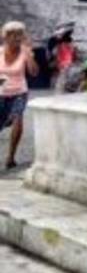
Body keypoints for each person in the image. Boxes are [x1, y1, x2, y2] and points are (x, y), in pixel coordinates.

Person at [0, 21, 38, 168]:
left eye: (20, 35)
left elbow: (34, 73)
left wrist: (29, 54)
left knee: (18, 119)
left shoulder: (25, 52)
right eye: (13, 35)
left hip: (19, 92)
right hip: (1, 92)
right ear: (6, 36)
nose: (17, 38)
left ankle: (10, 157)